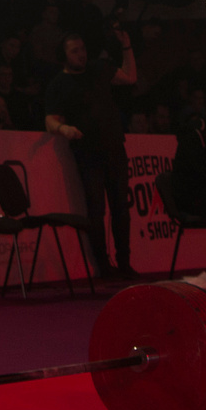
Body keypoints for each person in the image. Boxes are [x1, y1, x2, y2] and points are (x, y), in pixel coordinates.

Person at [44, 32, 137, 276]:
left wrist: (126, 46)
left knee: (121, 207)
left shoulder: (98, 69)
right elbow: (50, 120)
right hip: (87, 153)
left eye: (82, 49)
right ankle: (103, 265)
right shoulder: (59, 84)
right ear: (64, 55)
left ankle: (124, 262)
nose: (81, 54)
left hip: (114, 146)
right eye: (74, 51)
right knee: (96, 209)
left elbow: (130, 77)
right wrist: (64, 129)